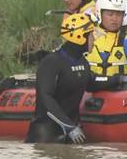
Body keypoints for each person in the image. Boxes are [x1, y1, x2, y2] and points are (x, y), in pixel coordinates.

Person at [25, 13, 120, 144]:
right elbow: (45, 98)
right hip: (46, 135)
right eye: (92, 35)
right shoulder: (51, 62)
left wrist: (117, 79)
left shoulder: (82, 62)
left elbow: (91, 83)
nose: (95, 40)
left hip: (71, 133)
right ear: (80, 36)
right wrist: (68, 126)